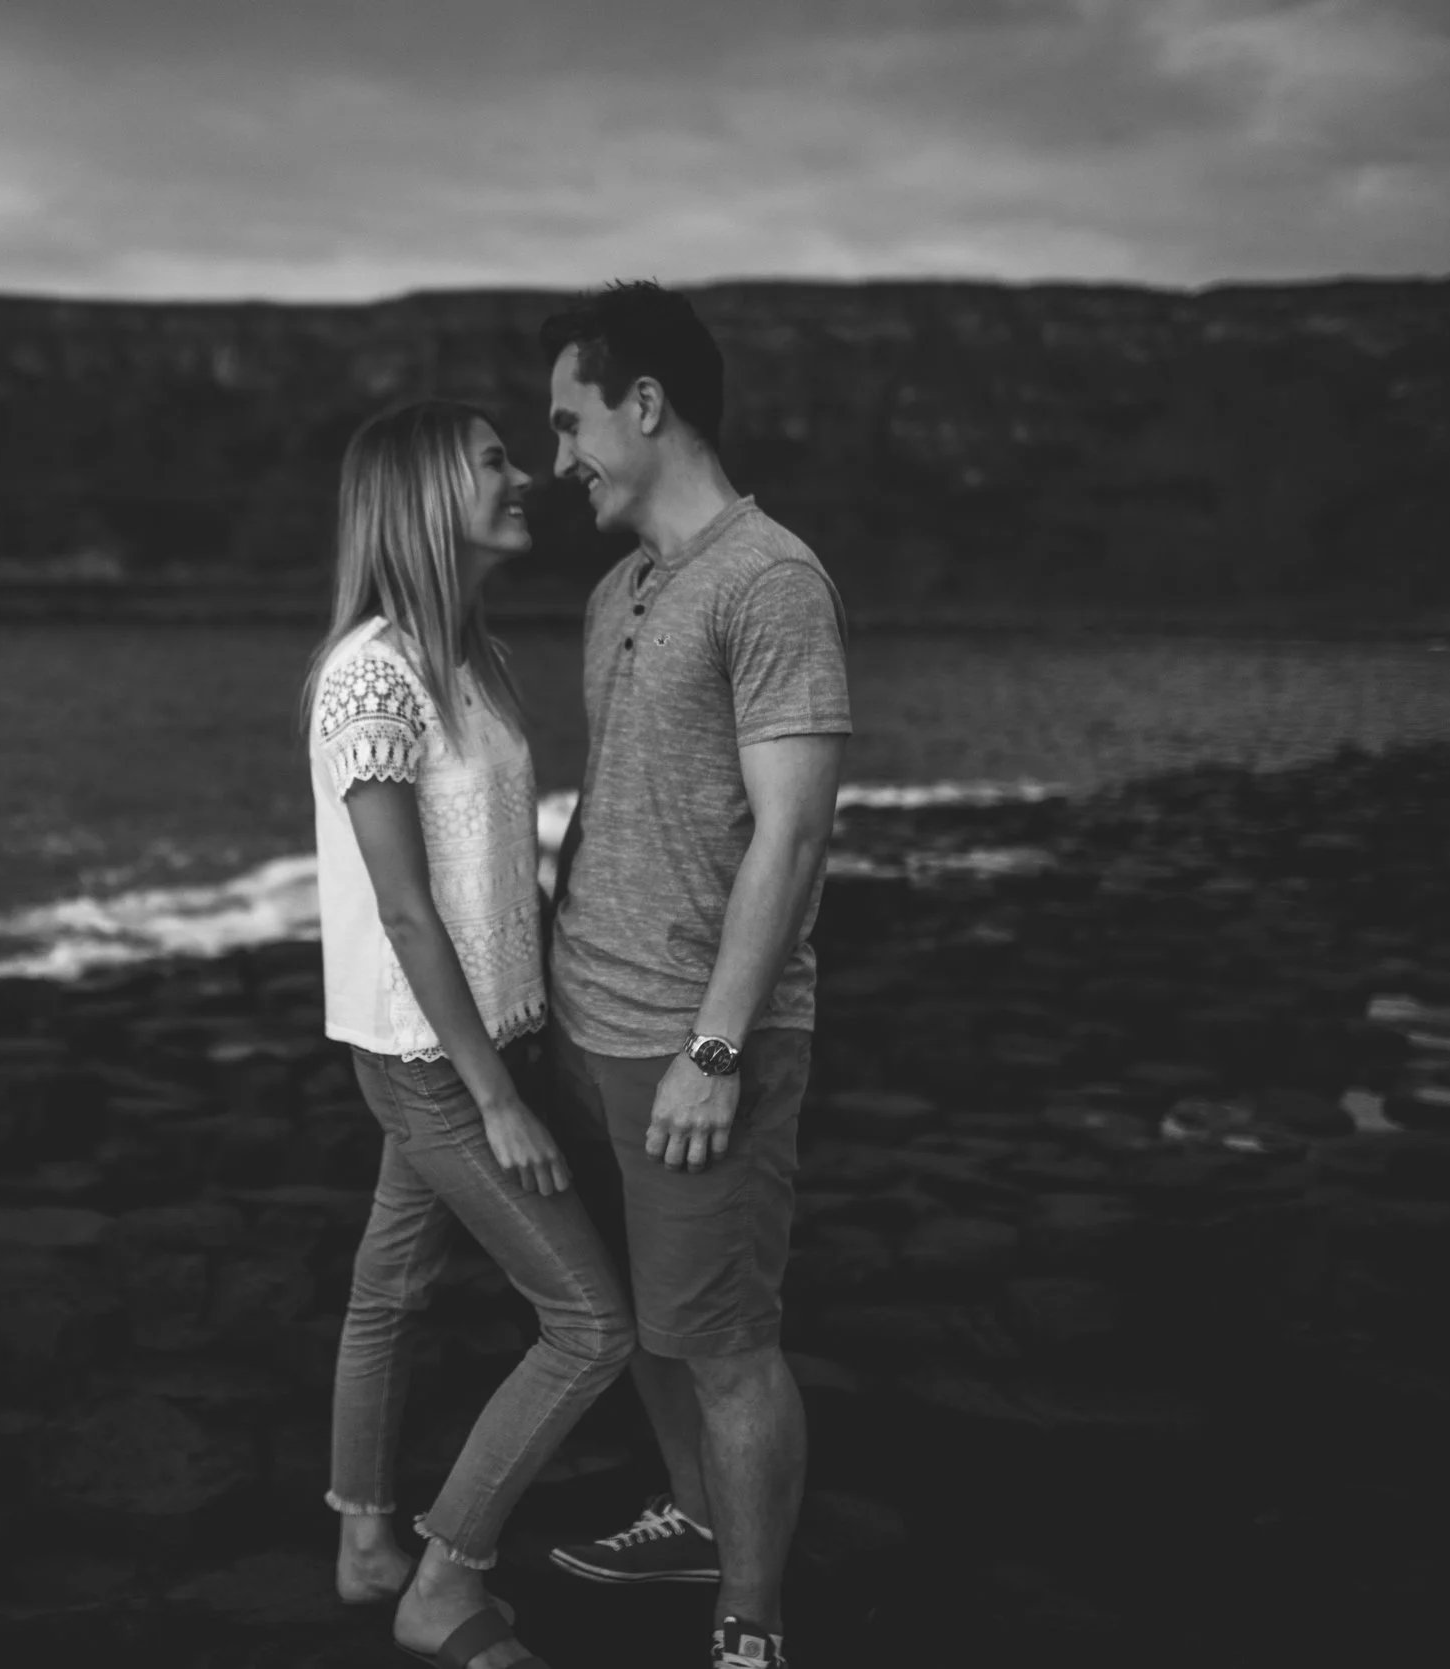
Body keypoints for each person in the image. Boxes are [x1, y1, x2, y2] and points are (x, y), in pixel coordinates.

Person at [536, 284, 852, 1669]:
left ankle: (751, 1622)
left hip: (695, 1046)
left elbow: (793, 830)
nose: (560, 460)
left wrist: (717, 1050)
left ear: (646, 404)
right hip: (586, 1024)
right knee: (644, 1324)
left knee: (724, 1338)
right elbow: (619, 808)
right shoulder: (617, 589)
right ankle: (691, 1516)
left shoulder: (773, 578)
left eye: (572, 422)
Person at [306, 399, 633, 1669]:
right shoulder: (371, 672)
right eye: (494, 462)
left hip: (486, 1034)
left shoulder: (473, 659)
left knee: (389, 1286)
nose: (525, 481)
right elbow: (404, 906)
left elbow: (501, 875)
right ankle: (444, 1580)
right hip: (434, 1060)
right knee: (591, 1327)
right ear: (426, 498)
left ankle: (365, 1543)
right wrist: (497, 1094)